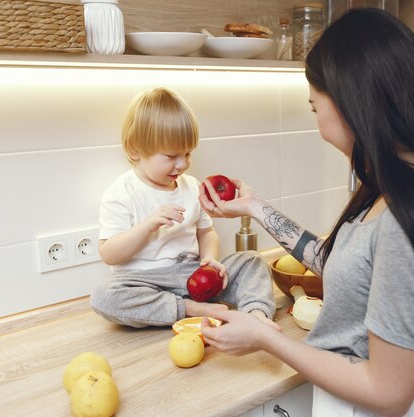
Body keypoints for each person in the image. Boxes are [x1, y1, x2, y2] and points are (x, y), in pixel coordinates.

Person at [198, 8, 414, 417]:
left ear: (352, 104)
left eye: (314, 107)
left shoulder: (409, 221)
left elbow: (388, 393)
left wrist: (267, 339)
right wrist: (255, 206)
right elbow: (348, 266)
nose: (318, 123)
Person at [89, 87, 277, 329]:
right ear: (135, 150)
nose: (182, 164)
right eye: (170, 156)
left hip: (192, 273)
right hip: (145, 282)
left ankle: (257, 316)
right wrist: (148, 225)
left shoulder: (191, 186)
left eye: (187, 153)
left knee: (252, 260)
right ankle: (188, 309)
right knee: (104, 295)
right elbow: (109, 254)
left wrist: (209, 258)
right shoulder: (122, 192)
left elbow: (206, 232)